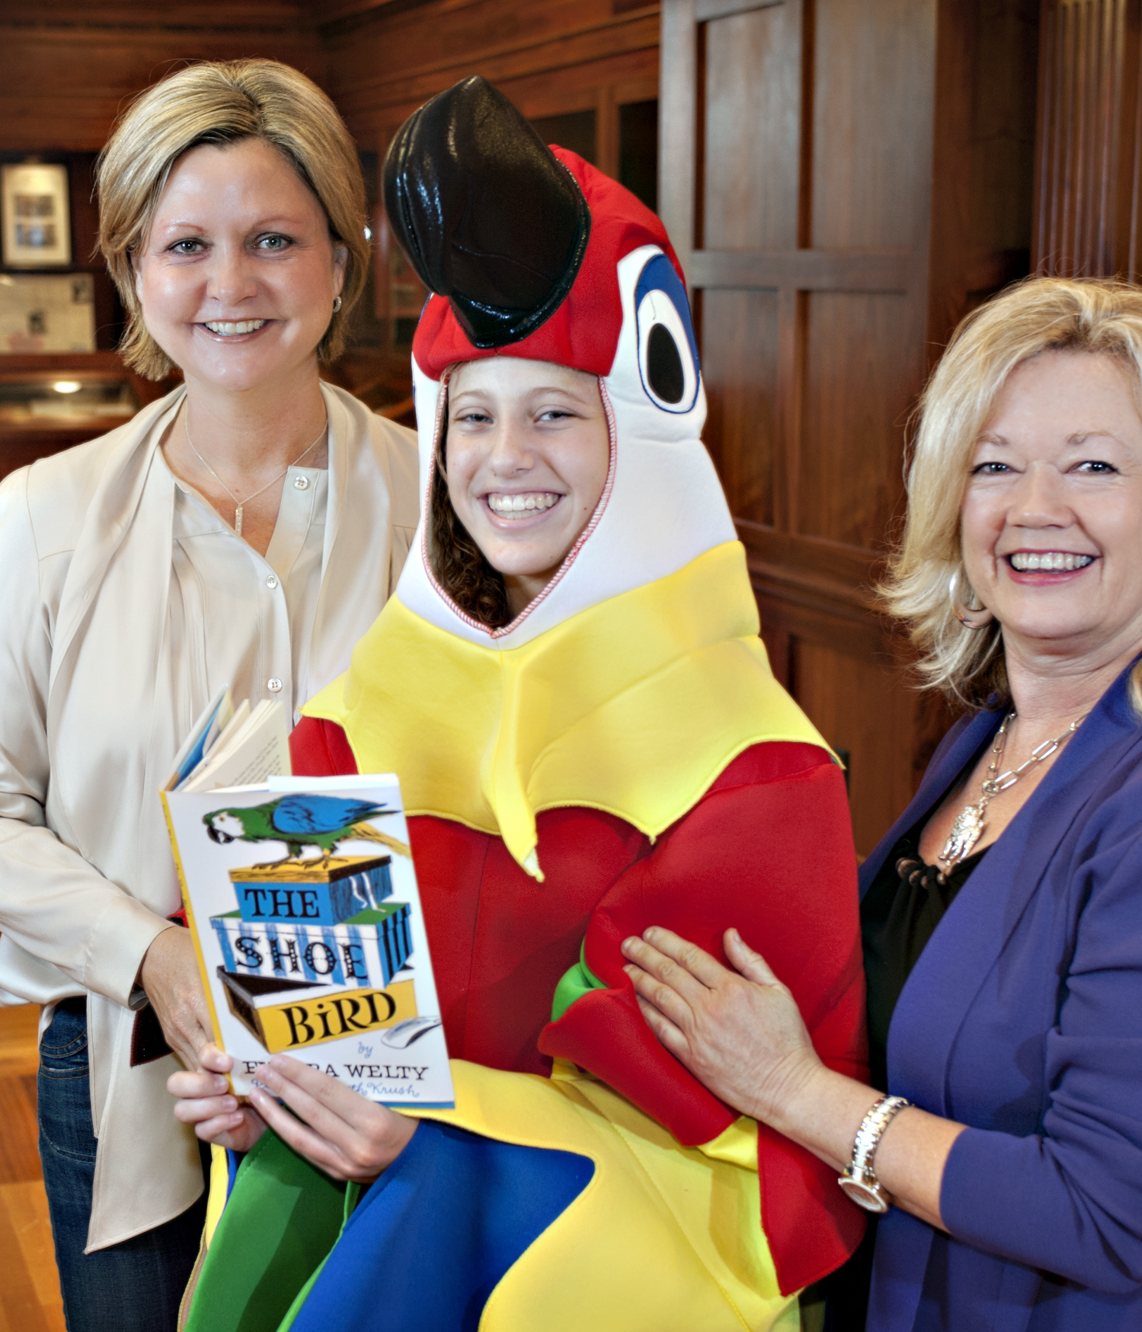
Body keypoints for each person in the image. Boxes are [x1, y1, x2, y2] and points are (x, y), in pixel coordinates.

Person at [166, 76, 869, 1332]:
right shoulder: (356, 714)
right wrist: (260, 1088)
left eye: (556, 412)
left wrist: (423, 1142)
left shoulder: (750, 769)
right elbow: (320, 1016)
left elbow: (712, 1133)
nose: (505, 461)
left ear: (633, 435)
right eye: (472, 417)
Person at [623, 277, 1142, 1330]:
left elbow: (1106, 1213)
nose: (1031, 509)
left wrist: (790, 1090)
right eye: (993, 465)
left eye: (1092, 466)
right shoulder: (990, 739)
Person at [0, 60, 418, 1332]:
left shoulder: (443, 505)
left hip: (401, 1081)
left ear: (342, 263)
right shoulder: (44, 519)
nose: (231, 284)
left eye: (273, 241)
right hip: (127, 1069)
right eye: (186, 243)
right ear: (135, 270)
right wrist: (155, 957)